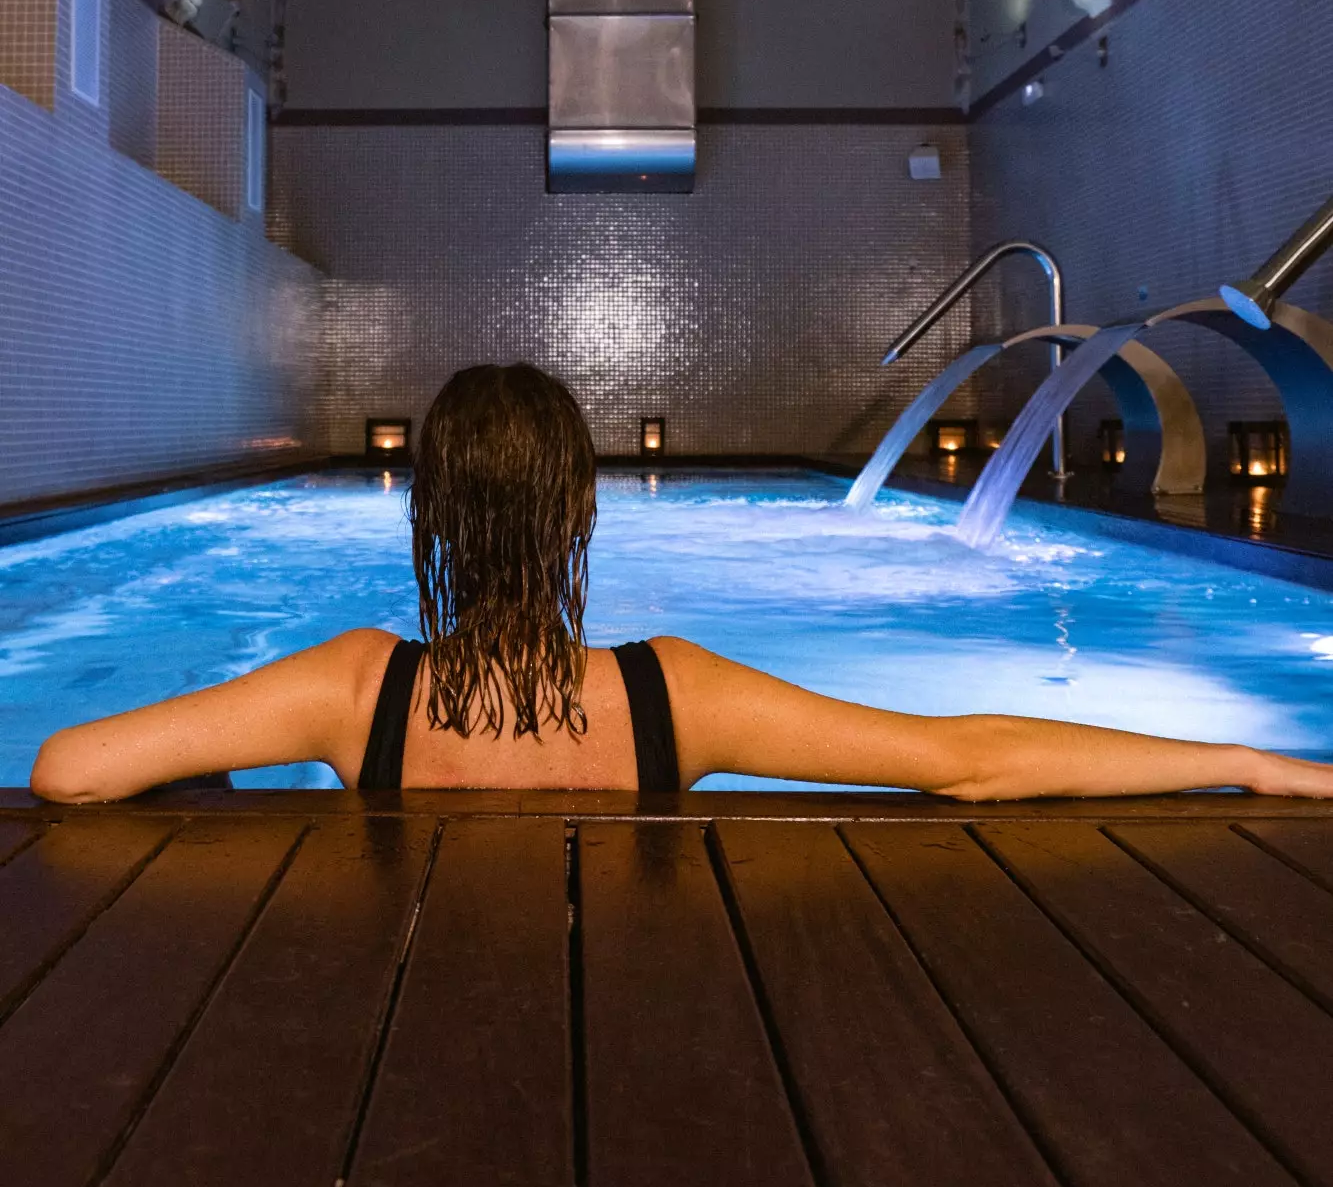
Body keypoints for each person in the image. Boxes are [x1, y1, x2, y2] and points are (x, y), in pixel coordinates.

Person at [29, 363, 1333, 805]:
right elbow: (966, 756)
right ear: (577, 518)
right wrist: (1245, 761)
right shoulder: (669, 696)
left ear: (429, 517)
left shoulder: (354, 688)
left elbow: (69, 772)